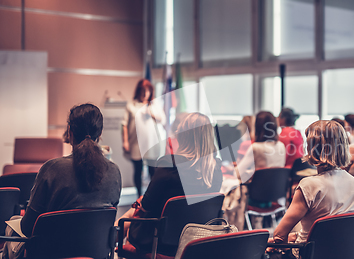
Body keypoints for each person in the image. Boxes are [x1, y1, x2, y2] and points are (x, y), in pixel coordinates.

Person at [3, 103, 122, 259]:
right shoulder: (114, 172)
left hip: (49, 254)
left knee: (11, 227)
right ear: (100, 134)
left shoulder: (51, 169)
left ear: (70, 133)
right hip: (96, 254)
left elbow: (28, 228)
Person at [119, 112, 223, 256]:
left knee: (130, 214)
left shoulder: (169, 164)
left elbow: (147, 206)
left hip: (159, 241)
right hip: (197, 241)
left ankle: (104, 244)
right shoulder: (215, 169)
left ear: (182, 136)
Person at [267, 120, 354, 259]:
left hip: (311, 254)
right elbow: (335, 229)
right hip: (344, 253)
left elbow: (280, 236)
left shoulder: (309, 186)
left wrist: (282, 243)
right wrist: (293, 237)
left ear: (313, 148)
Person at [122, 79, 166, 197]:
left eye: (147, 91)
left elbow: (163, 119)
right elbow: (124, 124)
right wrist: (125, 141)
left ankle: (151, 195)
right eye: (142, 90)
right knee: (138, 170)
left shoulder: (155, 105)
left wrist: (151, 113)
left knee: (153, 171)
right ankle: (139, 195)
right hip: (136, 143)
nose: (145, 93)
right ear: (138, 91)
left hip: (152, 144)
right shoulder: (131, 105)